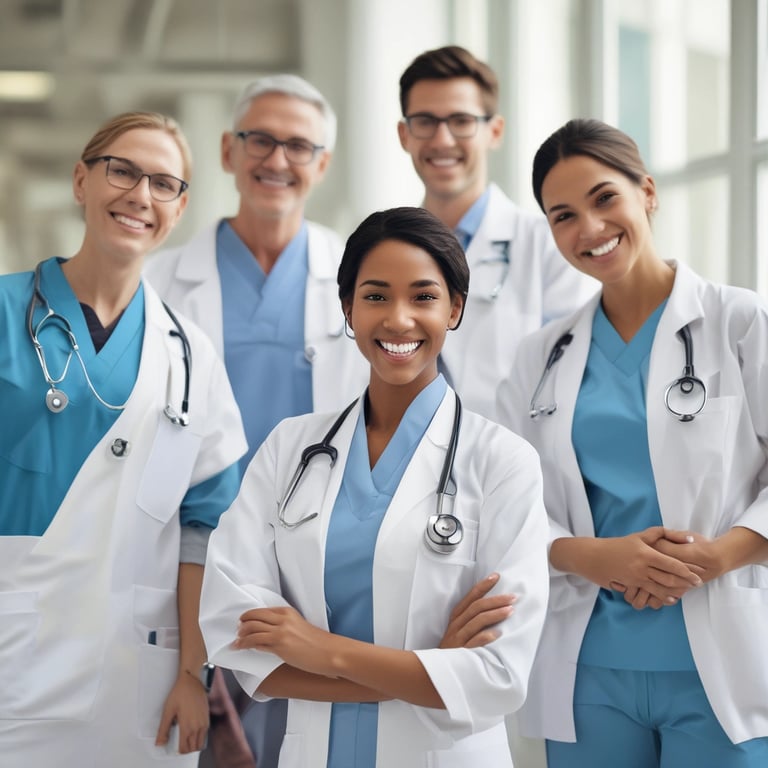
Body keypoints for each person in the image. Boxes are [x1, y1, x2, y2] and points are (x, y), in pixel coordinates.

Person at [199, 206, 550, 768]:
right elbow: (232, 629)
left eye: (424, 297)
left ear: (456, 308)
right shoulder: (291, 448)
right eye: (377, 296)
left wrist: (323, 652)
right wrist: (425, 669)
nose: (399, 320)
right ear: (348, 309)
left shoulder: (502, 462)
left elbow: (498, 675)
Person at [497, 118, 768, 768]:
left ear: (646, 191)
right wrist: (588, 556)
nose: (588, 228)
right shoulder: (540, 358)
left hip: (720, 656)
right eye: (563, 215)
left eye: (603, 198)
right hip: (589, 663)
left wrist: (717, 556)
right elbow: (502, 503)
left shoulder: (739, 322)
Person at [0, 112, 247, 766]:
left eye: (164, 183)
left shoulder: (192, 355)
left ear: (180, 207)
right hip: (13, 661)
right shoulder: (3, 314)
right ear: (82, 180)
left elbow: (206, 529)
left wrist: (195, 676)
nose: (141, 195)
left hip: (140, 678)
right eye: (122, 171)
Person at [144, 75, 367, 766]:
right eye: (260, 139)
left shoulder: (359, 274)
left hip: (318, 551)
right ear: (227, 151)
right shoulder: (158, 284)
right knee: (202, 739)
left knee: (310, 733)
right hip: (196, 548)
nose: (277, 158)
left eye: (298, 144)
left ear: (322, 163)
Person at [397, 45, 597, 419]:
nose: (442, 140)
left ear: (495, 131)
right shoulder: (383, 253)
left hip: (511, 464)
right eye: (425, 121)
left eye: (461, 120)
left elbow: (573, 379)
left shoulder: (547, 246)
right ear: (404, 134)